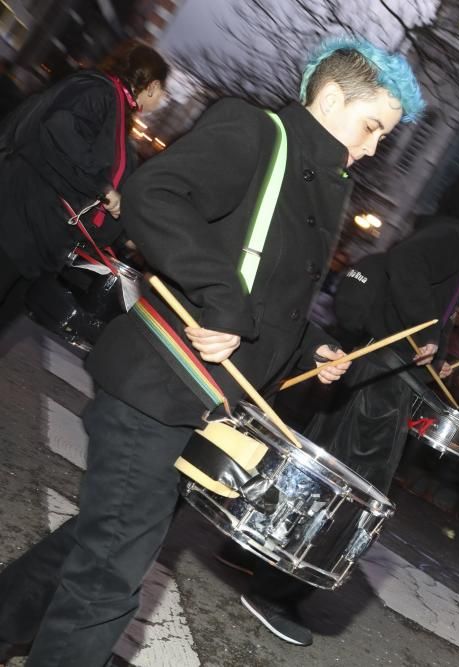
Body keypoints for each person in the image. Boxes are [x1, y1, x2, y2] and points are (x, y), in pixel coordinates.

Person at [0, 35, 422, 666]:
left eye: (382, 136)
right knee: (110, 580)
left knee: (106, 541)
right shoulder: (255, 131)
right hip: (156, 385)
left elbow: (269, 303)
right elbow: (153, 196)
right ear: (331, 98)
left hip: (205, 410)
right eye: (371, 127)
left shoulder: (324, 186)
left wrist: (319, 348)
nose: (371, 148)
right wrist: (220, 297)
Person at [230, 164, 459, 644]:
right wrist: (426, 333)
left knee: (318, 471)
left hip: (379, 374)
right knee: (348, 489)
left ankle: (256, 555)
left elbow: (407, 289)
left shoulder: (449, 241)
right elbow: (407, 270)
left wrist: (431, 353)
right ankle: (275, 592)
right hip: (379, 387)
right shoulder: (451, 238)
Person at [0, 41, 169, 330]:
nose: (163, 99)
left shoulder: (117, 114)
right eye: (164, 91)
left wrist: (126, 236)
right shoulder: (99, 91)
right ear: (151, 86)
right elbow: (61, 132)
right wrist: (102, 187)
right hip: (21, 220)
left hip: (41, 239)